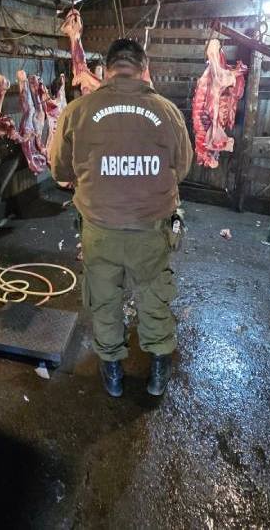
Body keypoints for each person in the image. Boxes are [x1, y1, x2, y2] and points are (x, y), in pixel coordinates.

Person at [49, 38, 193, 397]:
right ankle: (158, 371)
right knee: (153, 296)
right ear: (144, 68)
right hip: (151, 230)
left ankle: (113, 373)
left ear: (106, 69)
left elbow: (59, 170)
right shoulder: (167, 111)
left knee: (104, 300)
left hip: (100, 230)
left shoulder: (78, 111)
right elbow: (183, 168)